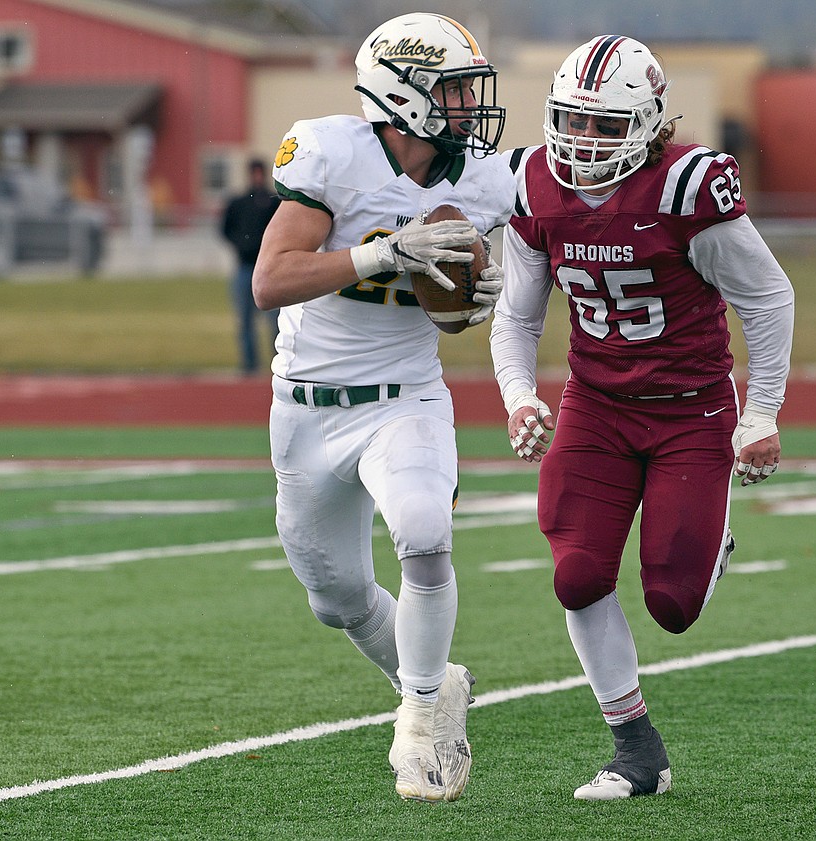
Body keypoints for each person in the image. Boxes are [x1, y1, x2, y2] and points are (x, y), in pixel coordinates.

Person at [490, 35, 795, 801]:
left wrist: (759, 412)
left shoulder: (685, 186)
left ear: (650, 123)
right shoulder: (535, 183)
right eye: (571, 119)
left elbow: (769, 296)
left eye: (603, 125)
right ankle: (635, 749)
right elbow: (518, 314)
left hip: (690, 409)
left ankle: (710, 532)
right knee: (577, 572)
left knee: (672, 603)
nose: (581, 140)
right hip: (596, 405)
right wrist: (519, 395)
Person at [251, 13, 513, 803]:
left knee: (426, 534)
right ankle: (437, 683)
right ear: (403, 91)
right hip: (307, 403)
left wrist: (478, 299)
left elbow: (462, 298)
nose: (470, 104)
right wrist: (381, 251)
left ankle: (422, 716)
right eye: (454, 88)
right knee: (334, 600)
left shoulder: (484, 178)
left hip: (406, 395)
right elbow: (270, 279)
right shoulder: (335, 152)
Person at [221, 159, 282, 374]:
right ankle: (249, 364)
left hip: (270, 268)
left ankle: (279, 363)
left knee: (276, 321)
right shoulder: (238, 202)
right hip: (245, 267)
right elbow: (225, 229)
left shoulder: (274, 202)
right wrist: (241, 244)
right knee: (245, 319)